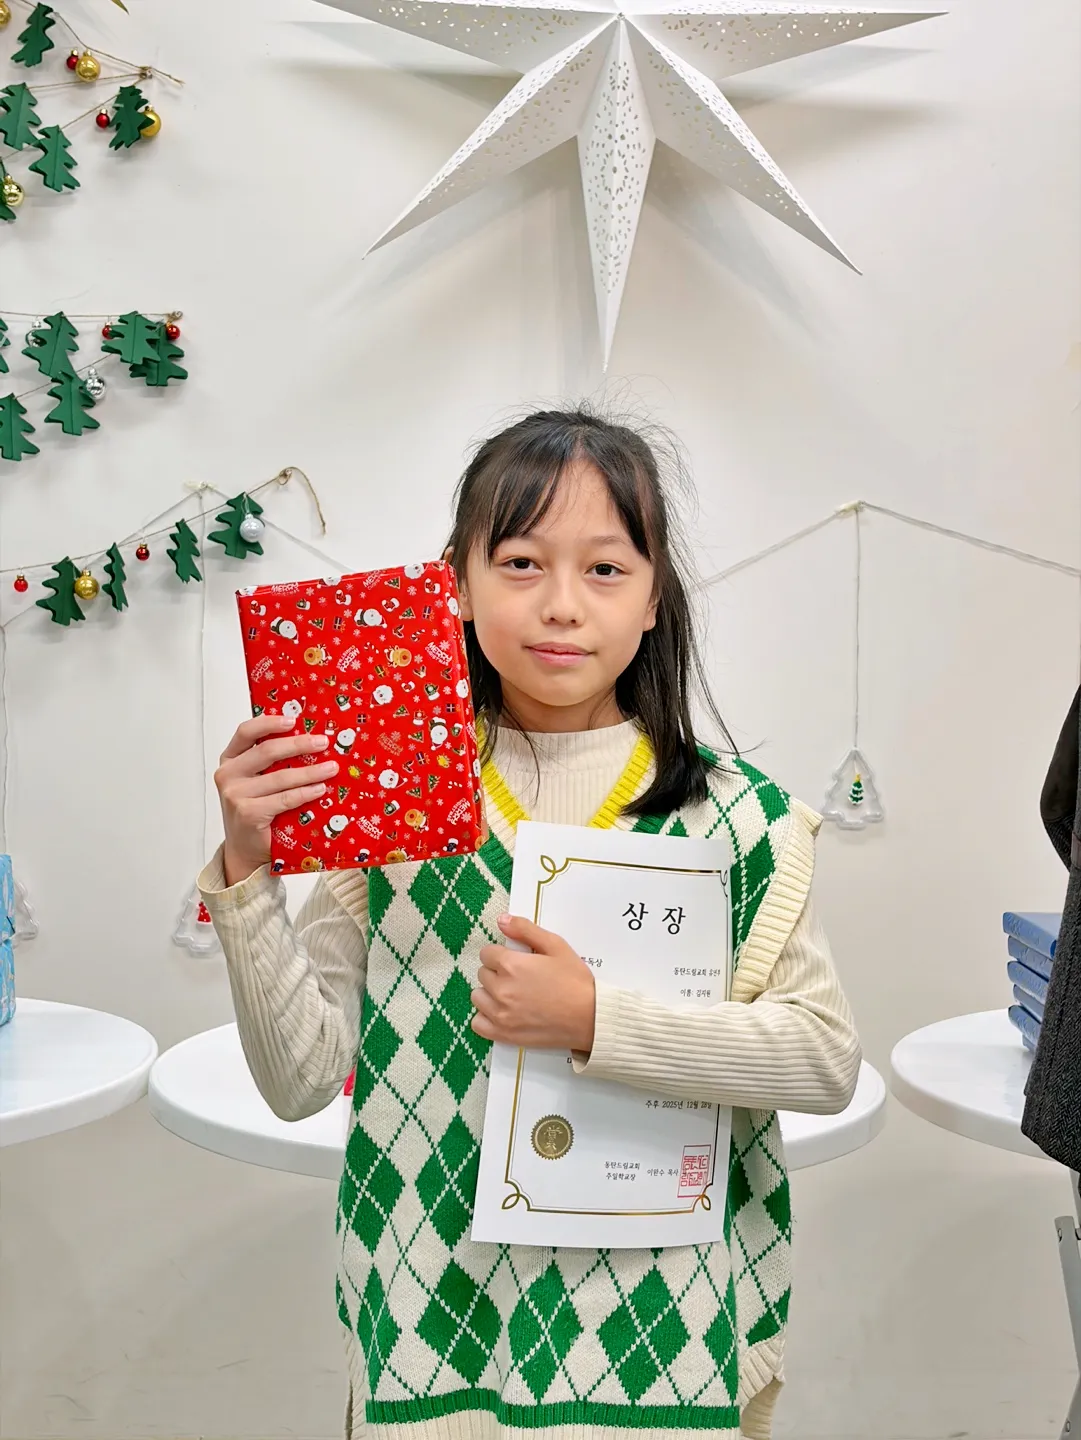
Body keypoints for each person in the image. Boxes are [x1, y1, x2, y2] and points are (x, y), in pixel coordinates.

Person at [200, 407, 861, 1440]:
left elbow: (822, 1058)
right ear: (455, 586)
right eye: (519, 562)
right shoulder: (396, 803)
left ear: (653, 600)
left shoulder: (738, 820)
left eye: (605, 569)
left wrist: (598, 1019)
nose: (560, 604)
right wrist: (248, 870)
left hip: (652, 1335)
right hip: (431, 1327)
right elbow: (301, 1079)